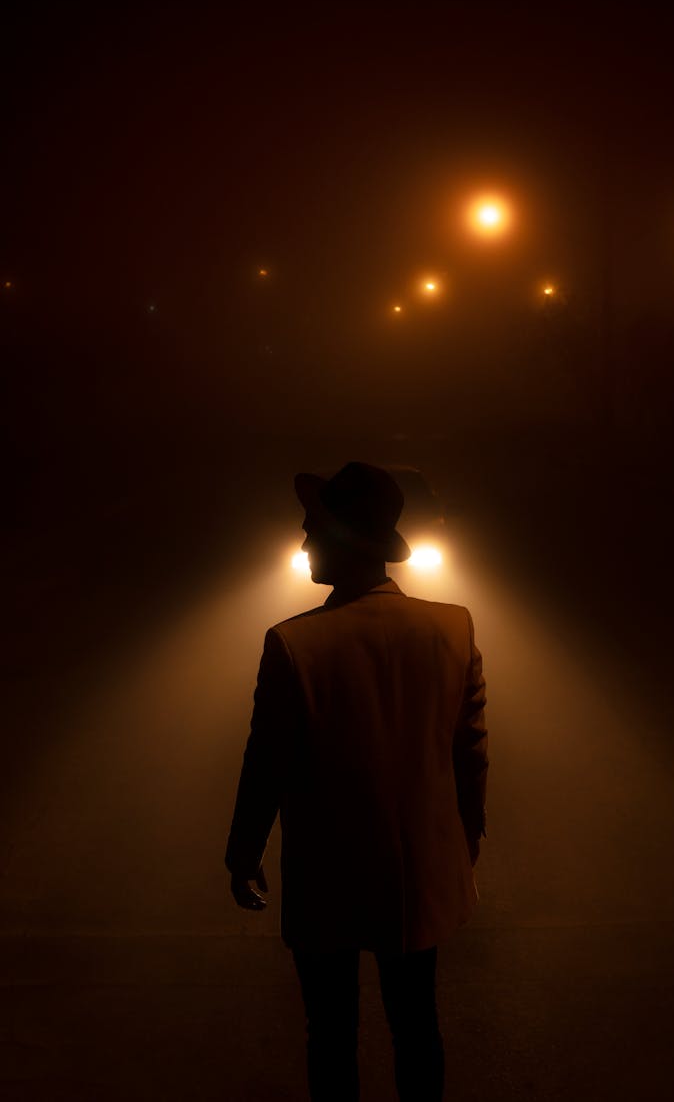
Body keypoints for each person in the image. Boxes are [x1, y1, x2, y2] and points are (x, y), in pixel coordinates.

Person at [226, 461, 488, 1101]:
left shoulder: (293, 644)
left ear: (343, 541)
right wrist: (464, 842)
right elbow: (469, 754)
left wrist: (244, 852)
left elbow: (268, 761)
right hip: (416, 871)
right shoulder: (453, 627)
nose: (305, 540)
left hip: (328, 872)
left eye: (312, 527)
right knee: (417, 1027)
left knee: (331, 1035)